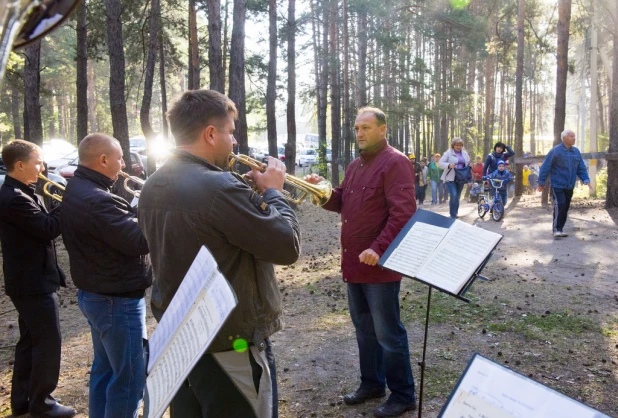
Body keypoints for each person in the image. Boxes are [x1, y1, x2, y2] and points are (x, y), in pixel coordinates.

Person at [138, 89, 300, 418]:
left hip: (183, 343)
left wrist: (250, 198)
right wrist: (273, 193)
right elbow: (287, 246)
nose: (234, 141)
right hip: (231, 344)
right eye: (230, 131)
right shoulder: (220, 188)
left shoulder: (153, 184)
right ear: (210, 134)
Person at [305, 107, 417, 418]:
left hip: (380, 267)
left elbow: (403, 214)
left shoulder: (396, 162)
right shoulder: (355, 165)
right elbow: (341, 200)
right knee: (364, 330)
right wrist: (320, 191)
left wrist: (379, 248)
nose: (360, 133)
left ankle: (403, 394)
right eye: (356, 128)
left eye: (366, 127)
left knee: (388, 333)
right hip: (354, 265)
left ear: (383, 129)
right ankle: (372, 384)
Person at [61, 134, 152, 418]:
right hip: (117, 300)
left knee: (104, 370)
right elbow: (139, 241)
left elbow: (113, 232)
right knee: (129, 378)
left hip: (97, 294)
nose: (124, 164)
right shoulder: (98, 200)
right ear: (103, 160)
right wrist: (149, 206)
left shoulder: (77, 187)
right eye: (120, 158)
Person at [0, 140, 76, 418]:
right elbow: (47, 229)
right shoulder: (14, 198)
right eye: (38, 162)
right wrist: (67, 201)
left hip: (29, 280)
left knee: (30, 342)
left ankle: (22, 402)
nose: (42, 167)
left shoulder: (21, 192)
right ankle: (43, 404)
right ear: (20, 165)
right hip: (32, 284)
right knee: (47, 343)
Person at [538, 129, 591, 238]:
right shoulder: (555, 151)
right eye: (571, 136)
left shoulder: (576, 151)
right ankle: (557, 229)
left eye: (574, 136)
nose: (574, 138)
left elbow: (581, 167)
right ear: (564, 138)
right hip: (557, 184)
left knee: (565, 207)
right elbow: (545, 166)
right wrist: (541, 182)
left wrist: (585, 179)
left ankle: (560, 228)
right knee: (560, 204)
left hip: (569, 185)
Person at [439, 138, 471, 218]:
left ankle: (455, 212)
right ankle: (452, 214)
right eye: (457, 145)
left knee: (457, 196)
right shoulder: (448, 153)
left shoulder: (464, 153)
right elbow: (440, 163)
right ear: (453, 145)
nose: (459, 147)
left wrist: (469, 165)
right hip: (450, 178)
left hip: (461, 177)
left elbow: (468, 162)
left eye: (460, 145)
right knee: (453, 194)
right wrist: (449, 165)